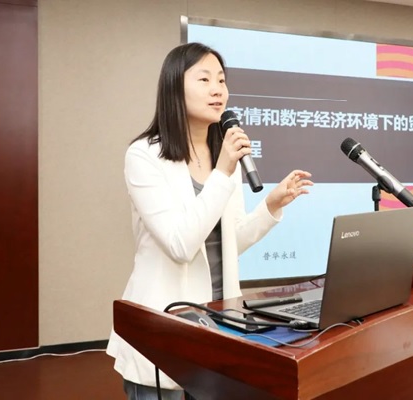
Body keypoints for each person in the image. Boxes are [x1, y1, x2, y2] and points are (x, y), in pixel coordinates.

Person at [106, 42, 313, 400]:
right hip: (165, 330)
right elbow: (181, 245)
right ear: (174, 87)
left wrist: (270, 206)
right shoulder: (144, 156)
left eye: (221, 79)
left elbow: (230, 241)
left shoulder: (223, 157)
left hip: (218, 326)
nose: (217, 89)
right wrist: (222, 172)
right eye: (204, 79)